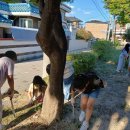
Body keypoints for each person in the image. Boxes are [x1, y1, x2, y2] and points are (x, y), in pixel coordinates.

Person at [0, 50, 17, 130]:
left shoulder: (1, 60)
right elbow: (10, 78)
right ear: (14, 58)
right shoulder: (10, 61)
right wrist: (12, 90)